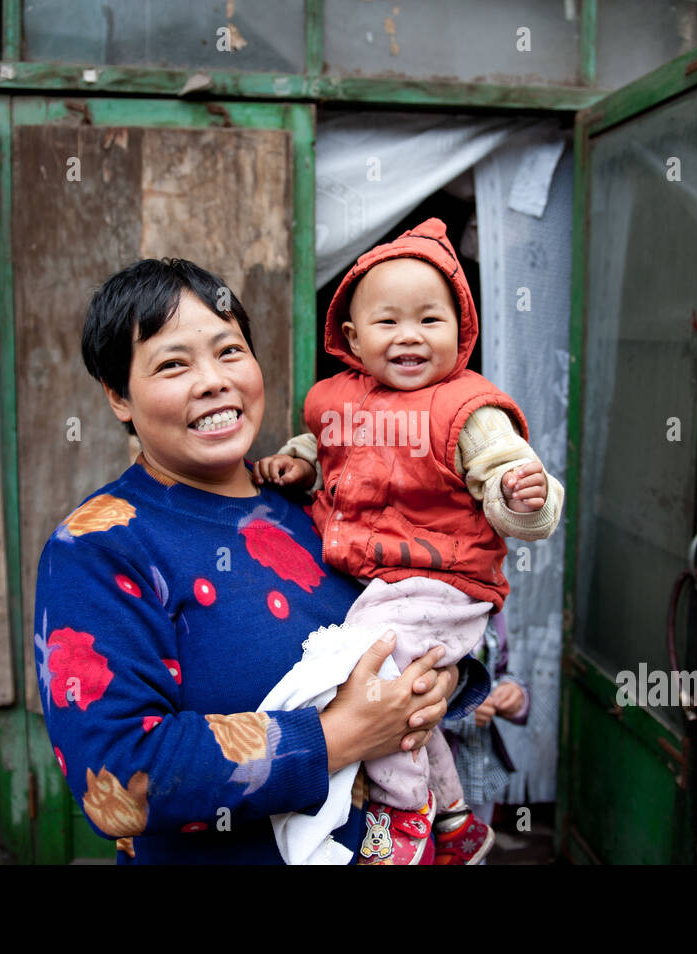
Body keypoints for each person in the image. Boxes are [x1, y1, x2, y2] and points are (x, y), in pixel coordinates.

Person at [34, 258, 488, 864]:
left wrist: (441, 683)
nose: (214, 381)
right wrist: (337, 736)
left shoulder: (313, 501)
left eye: (229, 352)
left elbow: (413, 610)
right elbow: (120, 782)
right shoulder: (99, 547)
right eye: (173, 364)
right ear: (119, 395)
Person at [253, 218, 564, 865]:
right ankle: (455, 819)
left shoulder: (467, 412)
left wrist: (521, 496)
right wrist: (297, 464)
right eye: (388, 322)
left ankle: (400, 815)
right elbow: (327, 450)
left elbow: (511, 476)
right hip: (389, 579)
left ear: (462, 332)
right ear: (351, 338)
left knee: (368, 672)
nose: (410, 336)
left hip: (443, 579)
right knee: (414, 694)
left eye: (430, 320)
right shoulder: (339, 402)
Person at [439, 611, 531, 864]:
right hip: (432, 774)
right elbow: (397, 697)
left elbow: (499, 669)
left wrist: (513, 693)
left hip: (478, 766)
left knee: (473, 851)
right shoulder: (419, 604)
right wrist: (460, 711)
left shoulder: (491, 606)